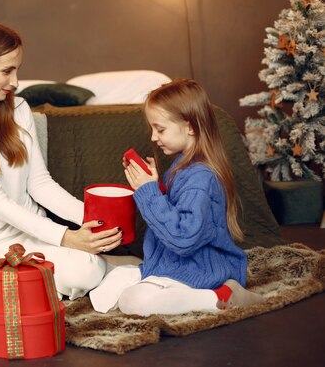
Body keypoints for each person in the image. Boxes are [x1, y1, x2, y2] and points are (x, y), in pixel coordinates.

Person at [0, 21, 122, 299]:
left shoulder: (18, 109)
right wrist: (67, 238)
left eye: (17, 69)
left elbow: (40, 183)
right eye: (6, 71)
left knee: (87, 266)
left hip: (33, 238)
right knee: (81, 270)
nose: (16, 82)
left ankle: (54, 282)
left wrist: (94, 221)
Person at [89, 79, 264, 315]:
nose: (153, 137)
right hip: (168, 263)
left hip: (200, 268)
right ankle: (158, 286)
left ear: (190, 127)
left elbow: (183, 238)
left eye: (160, 129)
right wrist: (154, 185)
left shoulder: (201, 177)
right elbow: (178, 210)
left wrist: (148, 192)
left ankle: (222, 296)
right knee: (108, 286)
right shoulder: (182, 167)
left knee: (134, 302)